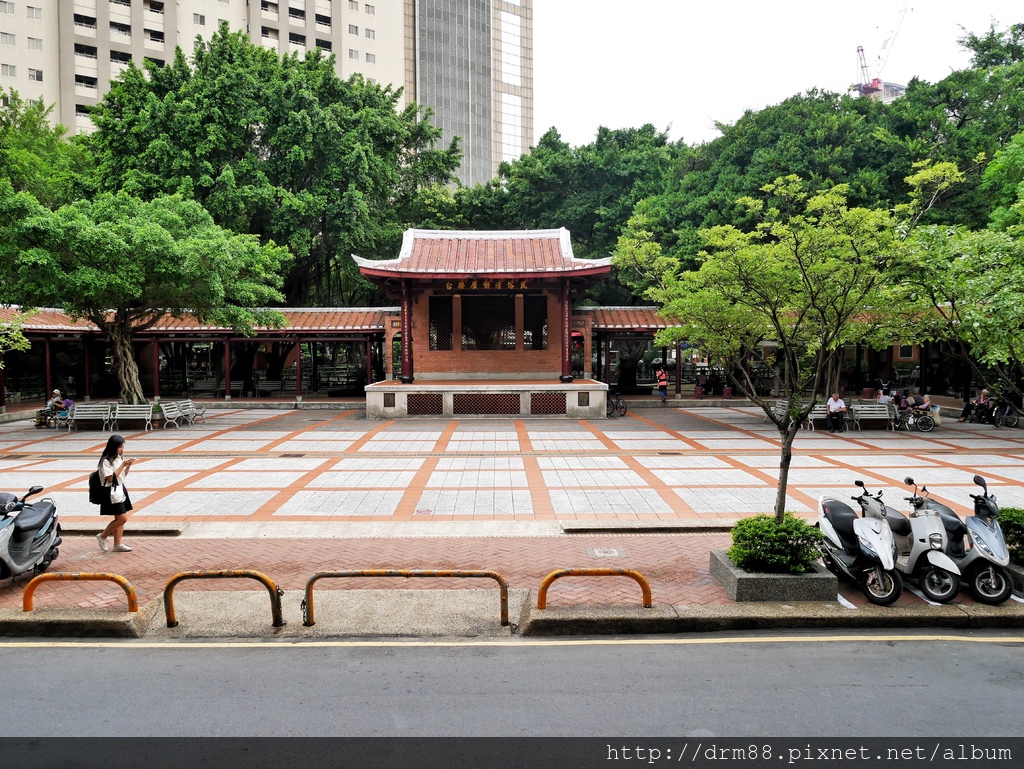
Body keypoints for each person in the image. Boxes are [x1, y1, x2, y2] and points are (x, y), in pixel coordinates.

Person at [96, 434, 136, 553]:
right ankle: (103, 536)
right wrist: (123, 466)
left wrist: (127, 468)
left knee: (119, 517)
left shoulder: (119, 458)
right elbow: (110, 478)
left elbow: (121, 477)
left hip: (120, 488)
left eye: (123, 447)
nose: (122, 450)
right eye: (120, 447)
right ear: (113, 447)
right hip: (111, 491)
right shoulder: (106, 461)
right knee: (123, 518)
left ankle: (117, 544)